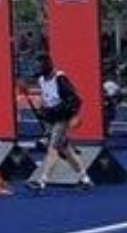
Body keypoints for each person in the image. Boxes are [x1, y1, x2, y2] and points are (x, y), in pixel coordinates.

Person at [30, 54, 93, 190]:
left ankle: (42, 181)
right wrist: (43, 110)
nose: (37, 68)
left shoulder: (60, 78)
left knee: (53, 148)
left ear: (46, 65)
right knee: (67, 151)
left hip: (63, 118)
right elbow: (47, 98)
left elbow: (75, 99)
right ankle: (85, 179)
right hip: (52, 118)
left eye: (39, 65)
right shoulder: (41, 80)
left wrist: (74, 116)